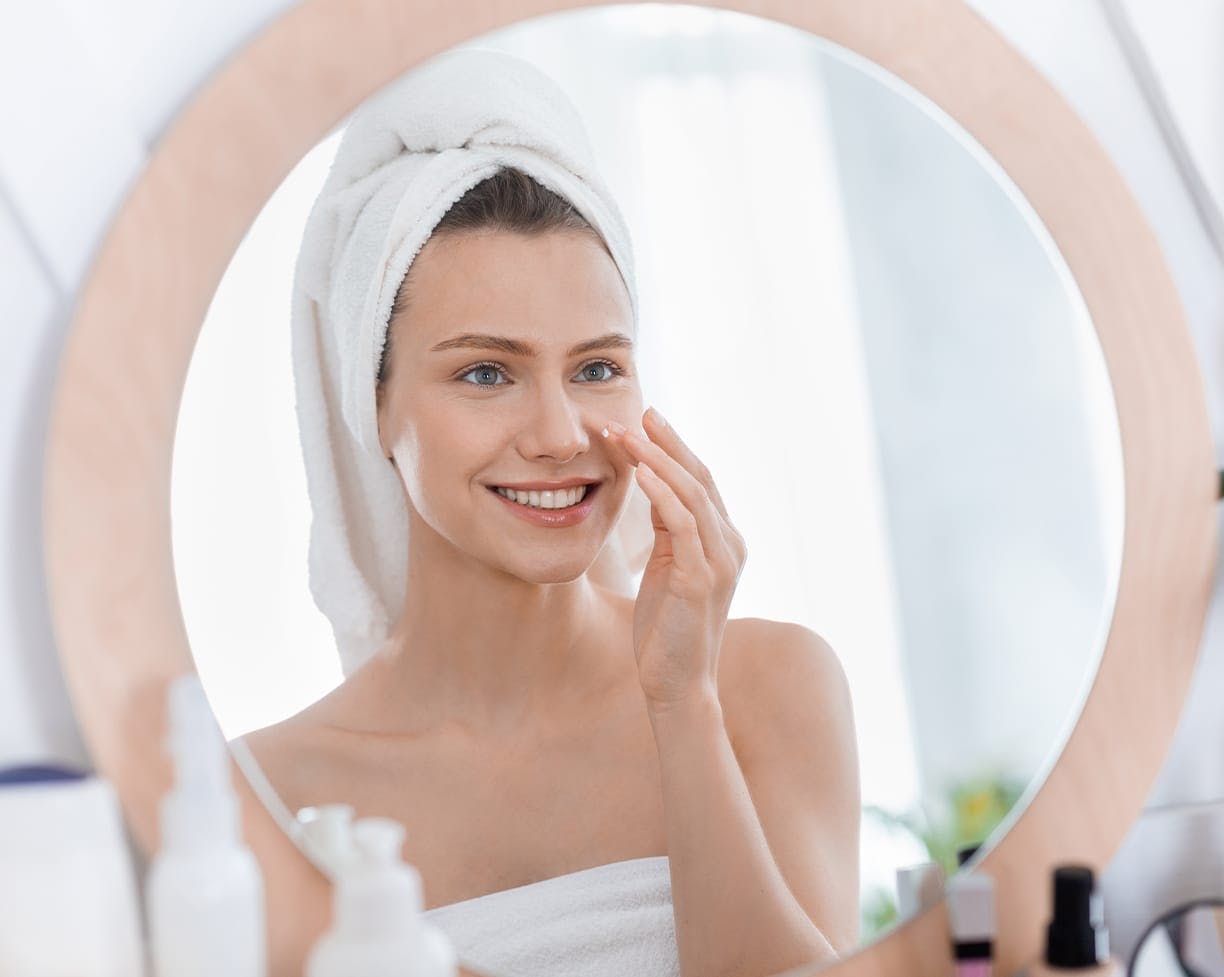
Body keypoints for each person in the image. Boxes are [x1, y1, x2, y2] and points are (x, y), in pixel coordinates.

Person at [246, 51, 860, 977]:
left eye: (597, 367)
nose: (560, 433)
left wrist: (681, 704)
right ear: (370, 403)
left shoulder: (771, 687)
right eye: (485, 372)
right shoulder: (265, 797)